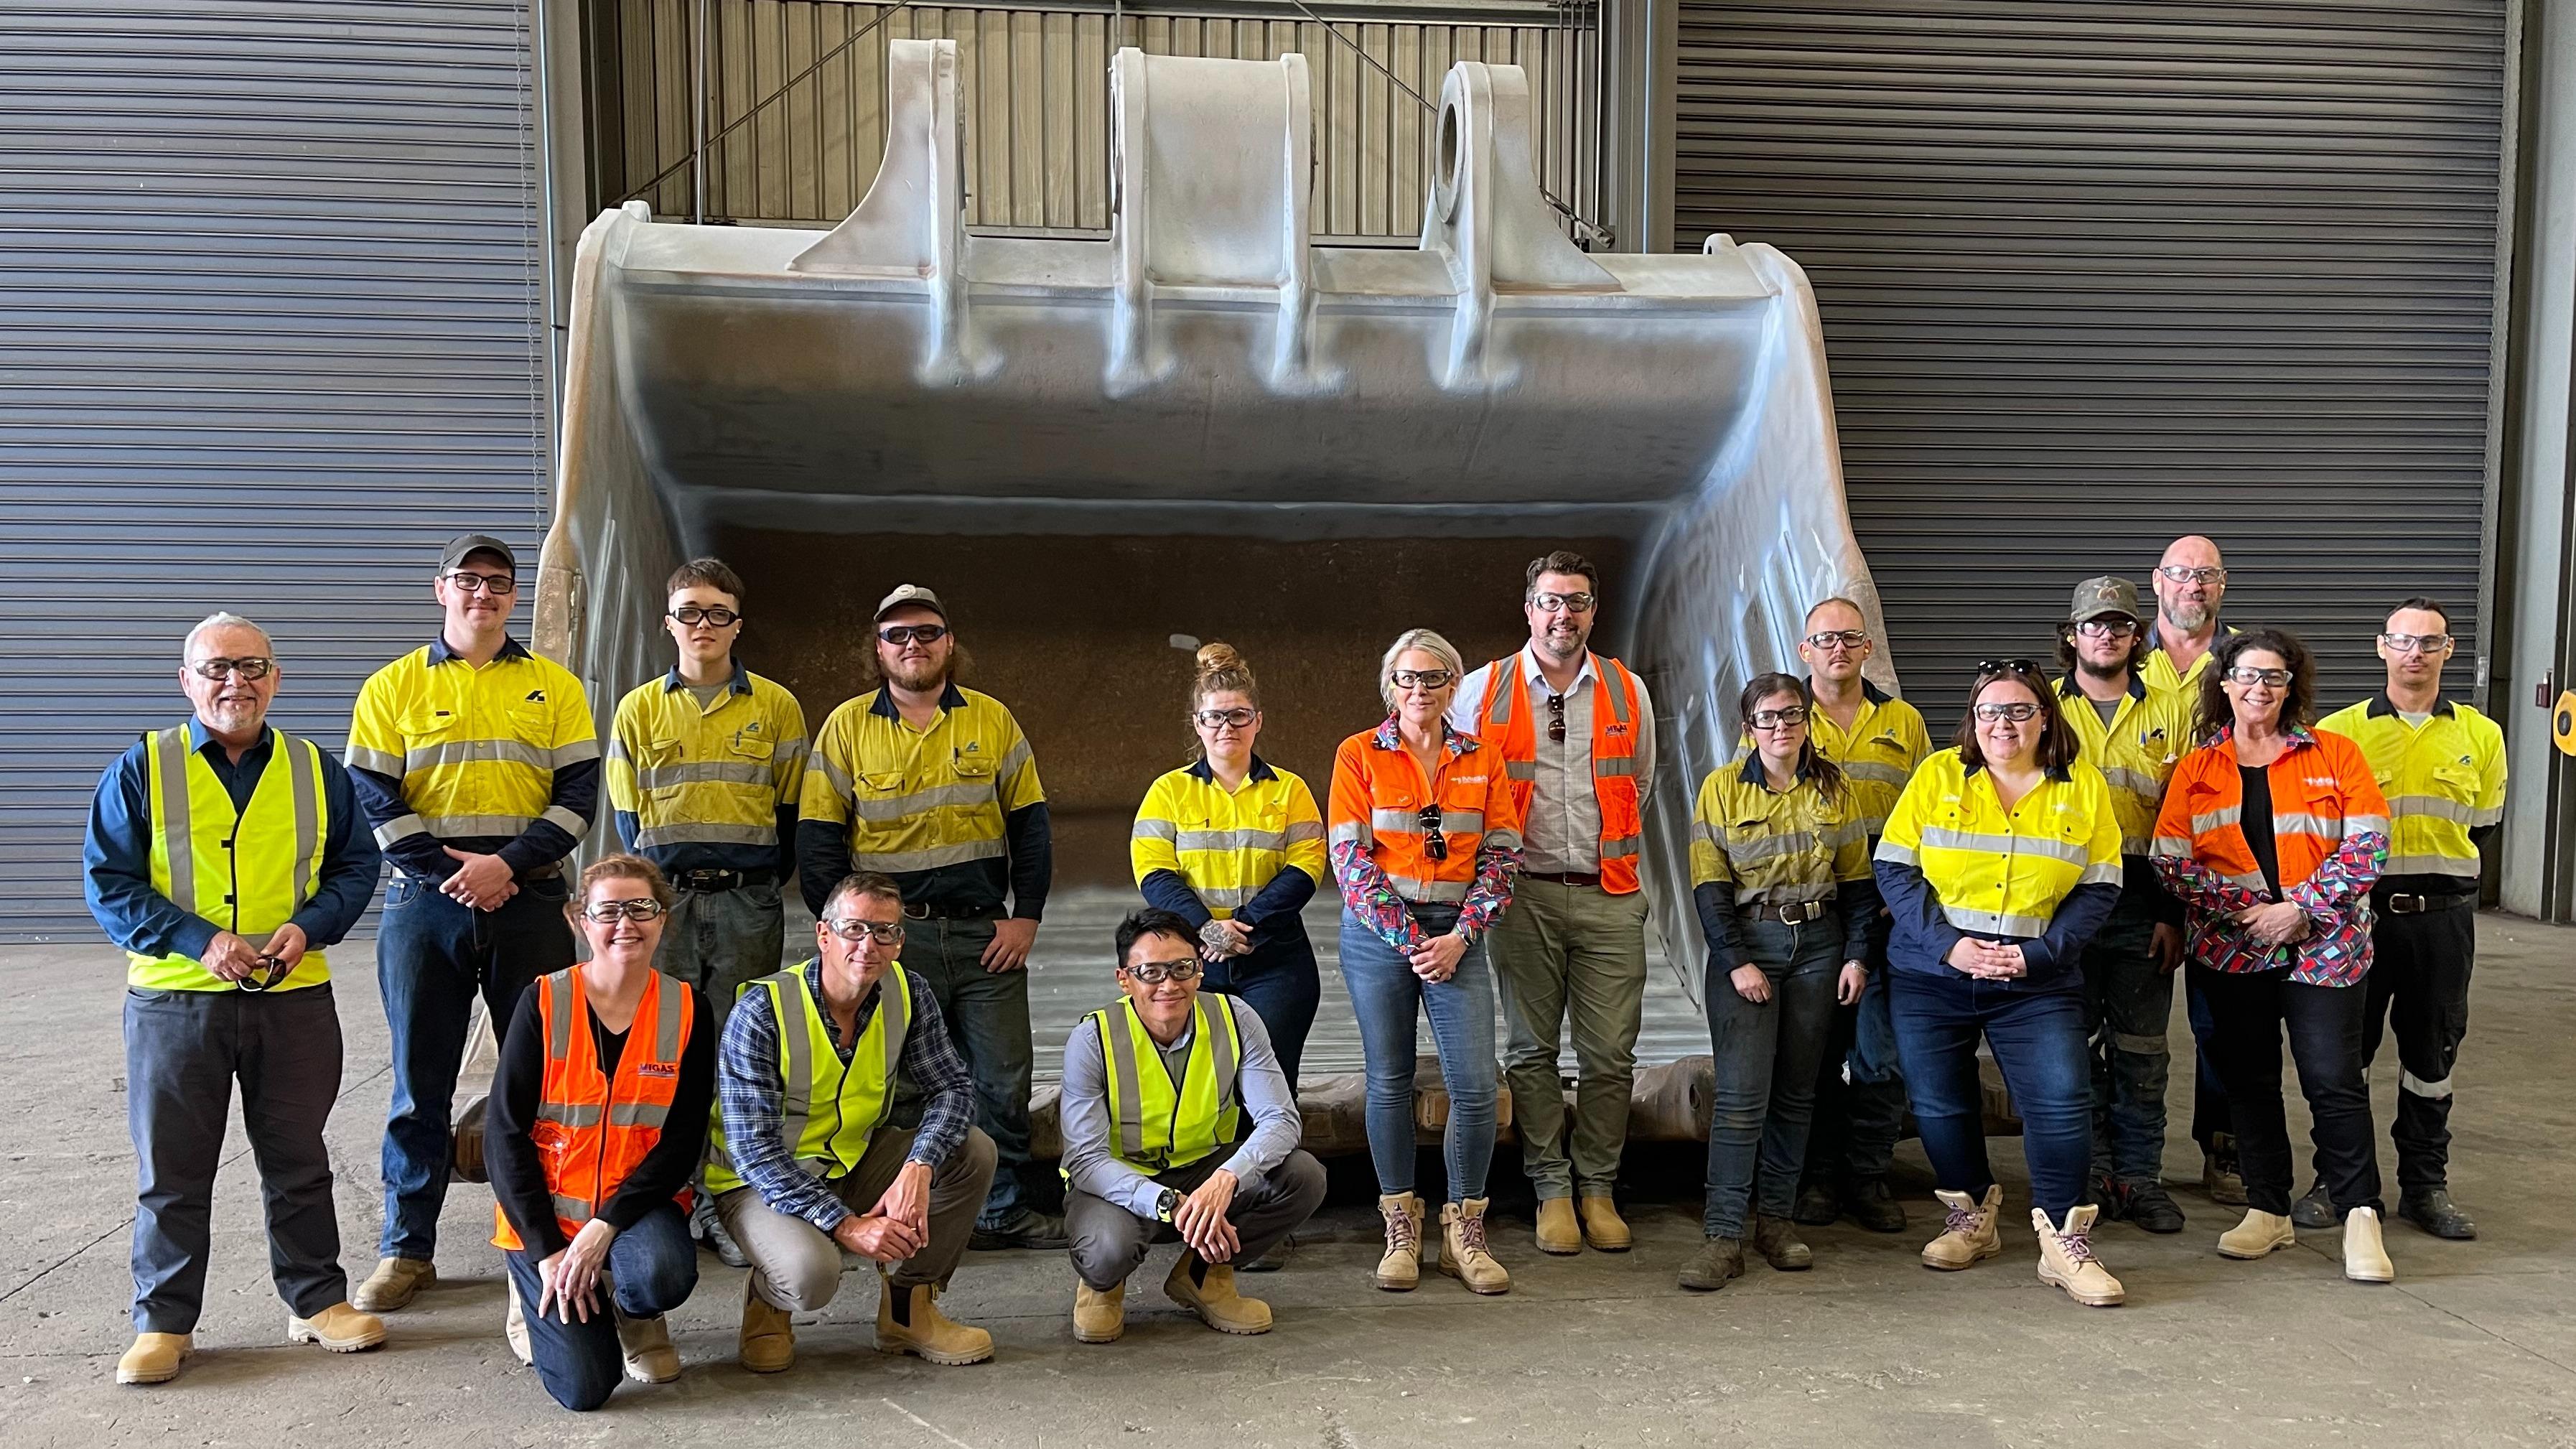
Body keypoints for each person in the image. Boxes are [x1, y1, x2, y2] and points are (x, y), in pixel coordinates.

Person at [84, 612, 386, 1385]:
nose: (235, 682)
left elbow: (355, 867)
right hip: (175, 1004)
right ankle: (165, 1321)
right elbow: (109, 882)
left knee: (299, 1158)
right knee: (174, 1168)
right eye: (217, 667)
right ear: (187, 680)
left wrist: (307, 925)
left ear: (276, 679)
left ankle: (318, 1299)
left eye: (252, 666)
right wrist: (198, 940)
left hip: (294, 998)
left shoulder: (318, 769)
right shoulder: (140, 768)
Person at [344, 534, 598, 1311]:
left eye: (497, 582)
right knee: (420, 1081)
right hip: (427, 906)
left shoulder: (553, 686)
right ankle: (405, 1247)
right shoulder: (392, 687)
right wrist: (455, 874)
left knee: (548, 1079)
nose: (482, 593)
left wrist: (507, 867)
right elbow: (373, 797)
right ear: (440, 588)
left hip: (529, 902)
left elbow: (580, 795)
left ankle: (544, 1237)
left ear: (514, 596)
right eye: (467, 579)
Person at [797, 584, 1060, 1250]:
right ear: (878, 648)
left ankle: (1000, 1212)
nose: (913, 644)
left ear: (950, 642)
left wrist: (1024, 917)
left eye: (927, 632)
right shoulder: (847, 726)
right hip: (892, 942)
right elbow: (819, 839)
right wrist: (847, 936)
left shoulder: (992, 721)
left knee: (1003, 1078)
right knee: (906, 1084)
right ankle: (922, 1215)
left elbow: (1030, 828)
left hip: (983, 935)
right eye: (897, 635)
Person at [1874, 660, 2127, 1308]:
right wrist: (1949, 946)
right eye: (1989, 711)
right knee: (1938, 1102)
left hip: (2036, 979)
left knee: (2062, 1099)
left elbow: (2101, 886)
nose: (2003, 724)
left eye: (2018, 711)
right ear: (1973, 720)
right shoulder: (1937, 776)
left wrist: (2041, 955)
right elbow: (1895, 871)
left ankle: (2065, 1241)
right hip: (1933, 972)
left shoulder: (2082, 787)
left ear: (2046, 717)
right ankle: (1970, 1218)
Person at [2152, 629, 2397, 1285]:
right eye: (2248, 676)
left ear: (2293, 687)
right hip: (2232, 948)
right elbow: (2171, 863)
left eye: (2275, 677)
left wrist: (2300, 908)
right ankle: (2268, 1208)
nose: (2260, 688)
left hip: (2328, 946)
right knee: (2249, 1082)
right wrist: (2248, 912)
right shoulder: (2197, 769)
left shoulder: (2336, 754)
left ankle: (2359, 1213)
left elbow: (2369, 847)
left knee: (2332, 1080)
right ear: (2224, 683)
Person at [707, 870, 1000, 1371]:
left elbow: (951, 1086)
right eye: (855, 929)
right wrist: (846, 1226)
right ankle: (769, 1300)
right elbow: (754, 1151)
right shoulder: (762, 1010)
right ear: (824, 935)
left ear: (900, 942)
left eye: (885, 931)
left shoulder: (908, 993)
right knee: (810, 1276)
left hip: (854, 1160)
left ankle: (908, 1312)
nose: (870, 945)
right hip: (759, 1184)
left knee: (972, 1152)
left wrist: (918, 1168)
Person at [1449, 551, 1656, 1256]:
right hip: (1521, 896)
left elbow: (1642, 783)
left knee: (1610, 1053)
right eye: (1549, 601)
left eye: (1576, 601)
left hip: (1609, 894)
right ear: (1529, 609)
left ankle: (1598, 1186)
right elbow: (1452, 789)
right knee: (1530, 1050)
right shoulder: (1482, 690)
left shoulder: (1627, 690)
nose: (1562, 615)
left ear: (1594, 611)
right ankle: (1551, 1189)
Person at [605, 556, 808, 1266]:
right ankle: (667, 1198)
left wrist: (752, 881)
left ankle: (727, 1200)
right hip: (665, 907)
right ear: (669, 622)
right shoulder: (637, 710)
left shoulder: (777, 708)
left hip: (749, 904)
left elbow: (792, 814)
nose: (704, 625)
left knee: (738, 1056)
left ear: (737, 624)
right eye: (689, 611)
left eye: (718, 612)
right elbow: (630, 822)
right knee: (665, 1051)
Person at [2302, 599, 2505, 1239]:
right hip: (2356, 919)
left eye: (2429, 642)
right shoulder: (2339, 734)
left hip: (2441, 922)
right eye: (2402, 640)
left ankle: (2426, 1187)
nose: (2414, 653)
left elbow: (2486, 828)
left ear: (2449, 652)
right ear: (2380, 647)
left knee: (2431, 1058)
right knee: (2345, 1057)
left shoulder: (2482, 734)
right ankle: (2339, 1184)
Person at [1328, 628, 1523, 1295]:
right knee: (1389, 1080)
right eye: (1408, 678)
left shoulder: (1483, 758)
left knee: (1473, 1088)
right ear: (1391, 687)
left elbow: (1501, 857)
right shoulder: (1357, 755)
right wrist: (1411, 940)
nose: (1420, 689)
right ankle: (1400, 1227)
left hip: (1458, 936)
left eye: (1434, 678)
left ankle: (1464, 1230)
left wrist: (1460, 939)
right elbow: (1350, 864)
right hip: (1380, 938)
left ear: (1452, 686)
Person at [486, 857, 712, 1412]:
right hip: (544, 1219)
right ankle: (529, 1291)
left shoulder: (687, 1010)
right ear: (580, 922)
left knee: (661, 1275)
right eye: (607, 911)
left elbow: (682, 1142)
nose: (625, 924)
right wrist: (545, 1251)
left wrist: (603, 1229)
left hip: (633, 1210)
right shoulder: (542, 1001)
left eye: (641, 908)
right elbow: (504, 1135)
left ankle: (635, 1315)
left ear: (663, 920)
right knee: (584, 1390)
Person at [1679, 674, 1875, 1292]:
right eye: (1768, 718)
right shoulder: (1721, 791)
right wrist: (1736, 961)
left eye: (1793, 716)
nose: (1782, 728)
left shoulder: (1833, 788)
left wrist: (1858, 956)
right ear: (1749, 728)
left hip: (1821, 946)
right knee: (1741, 1097)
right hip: (1750, 943)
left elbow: (1857, 884)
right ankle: (1723, 1235)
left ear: (1807, 722)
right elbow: (1709, 887)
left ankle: (1778, 1224)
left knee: (1798, 1093)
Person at [1059, 909, 1328, 1343]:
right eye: (1150, 972)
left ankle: (1204, 1276)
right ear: (1124, 979)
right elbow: (1085, 1159)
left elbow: (1280, 1119)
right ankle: (1103, 1287)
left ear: (1200, 971)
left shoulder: (1236, 1018)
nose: (1169, 984)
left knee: (1303, 1176)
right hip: (1122, 1183)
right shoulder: (1093, 1038)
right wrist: (1167, 1201)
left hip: (1205, 1168)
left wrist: (1227, 1178)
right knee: (1107, 1250)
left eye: (1182, 968)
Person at [2051, 577, 2193, 1234]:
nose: (2105, 635)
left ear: (2139, 637)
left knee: (2142, 1052)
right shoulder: (2040, 709)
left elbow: (2185, 818)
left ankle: (2140, 1180)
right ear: (2072, 635)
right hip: (2063, 908)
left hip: (2143, 906)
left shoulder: (2174, 711)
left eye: (2119, 625)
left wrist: (2174, 914)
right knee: (2070, 1052)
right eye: (2093, 625)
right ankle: (2089, 1177)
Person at [1131, 642, 1327, 1094]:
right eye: (1215, 716)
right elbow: (1153, 872)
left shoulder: (1290, 789)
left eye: (1239, 714)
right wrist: (1207, 929)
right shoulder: (1168, 791)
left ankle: (1274, 1164)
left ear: (1257, 720)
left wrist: (1246, 927)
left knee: (1274, 1084)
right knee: (1200, 1085)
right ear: (1198, 724)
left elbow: (1307, 866)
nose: (1227, 726)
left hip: (1276, 961)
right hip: (1191, 962)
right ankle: (1212, 1167)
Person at [1791, 597, 1929, 1234]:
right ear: (1804, 650)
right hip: (1816, 912)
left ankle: (1868, 1175)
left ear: (1868, 647)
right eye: (1825, 640)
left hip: (1890, 909)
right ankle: (1818, 1180)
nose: (1838, 650)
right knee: (1817, 1054)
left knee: (1883, 1053)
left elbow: (1930, 813)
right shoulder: (1782, 717)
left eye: (1849, 638)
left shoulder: (1903, 721)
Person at [2141, 533, 2244, 1204]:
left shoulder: (2245, 661)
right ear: (2158, 581)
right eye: (2181, 573)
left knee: (2224, 1024)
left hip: (2220, 873)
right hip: (2125, 869)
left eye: (2205, 575)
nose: (2193, 586)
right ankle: (2121, 1155)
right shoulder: (2118, 654)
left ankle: (2225, 1149)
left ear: (2222, 585)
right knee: (2127, 1024)